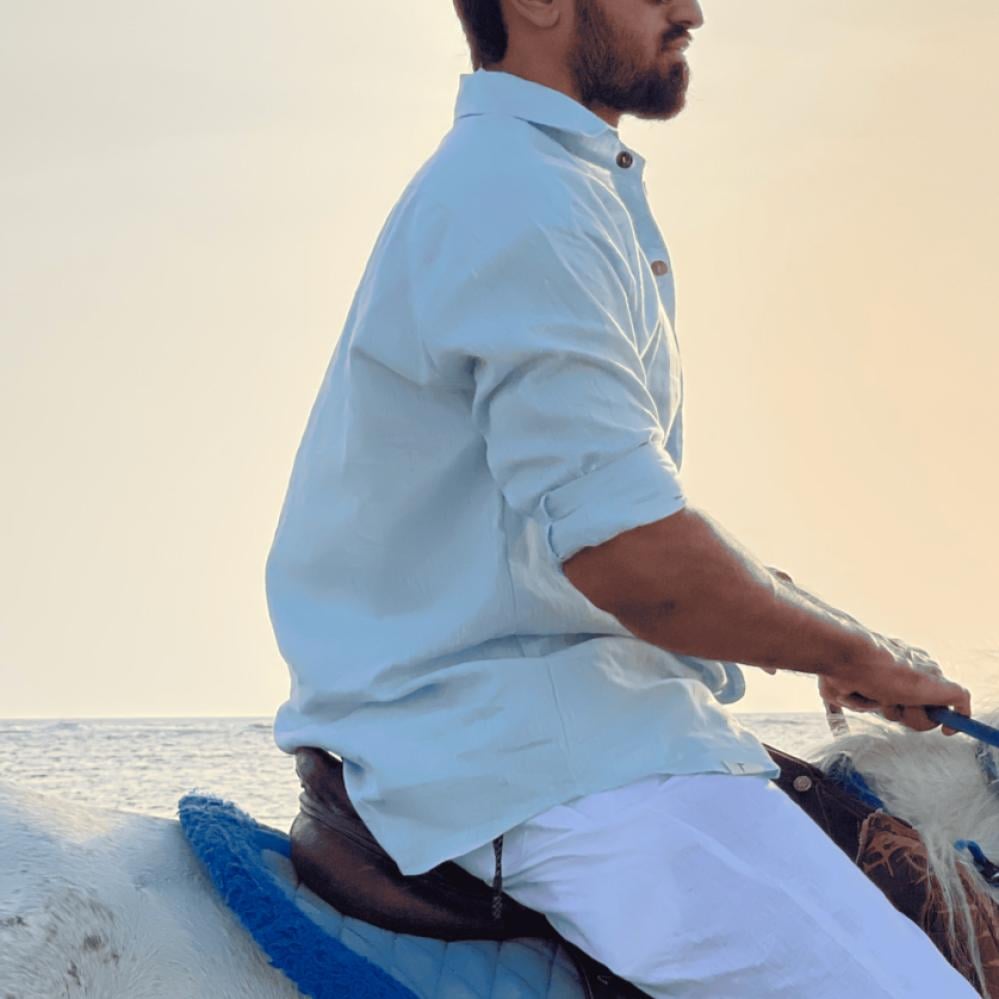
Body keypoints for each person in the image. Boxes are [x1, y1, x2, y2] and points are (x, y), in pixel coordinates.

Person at [264, 0, 977, 994]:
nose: (690, 9)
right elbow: (633, 557)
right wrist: (847, 653)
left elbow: (618, 529)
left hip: (572, 724)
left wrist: (846, 643)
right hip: (527, 752)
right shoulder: (525, 199)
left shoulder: (554, 184)